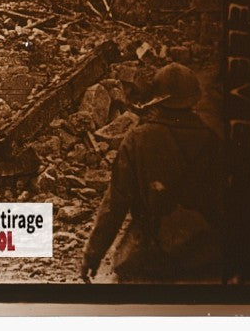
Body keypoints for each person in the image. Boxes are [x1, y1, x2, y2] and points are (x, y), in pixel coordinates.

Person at [82, 62, 223, 283]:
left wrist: (92, 255)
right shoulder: (211, 141)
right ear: (194, 99)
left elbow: (115, 204)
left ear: (157, 99)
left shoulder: (138, 139)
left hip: (148, 257)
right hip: (200, 258)